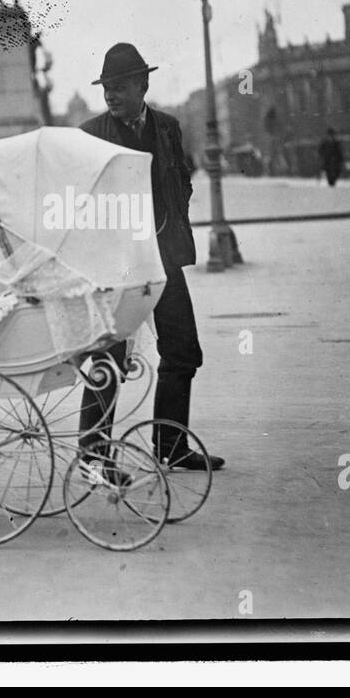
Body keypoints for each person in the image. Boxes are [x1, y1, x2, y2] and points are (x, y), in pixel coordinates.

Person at [78, 42, 224, 471]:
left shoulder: (167, 128)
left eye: (120, 85)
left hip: (164, 259)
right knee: (109, 356)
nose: (112, 94)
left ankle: (171, 447)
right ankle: (92, 453)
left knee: (182, 351)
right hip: (118, 267)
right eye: (107, 87)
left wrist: (170, 223)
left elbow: (181, 179)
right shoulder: (91, 134)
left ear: (143, 84)